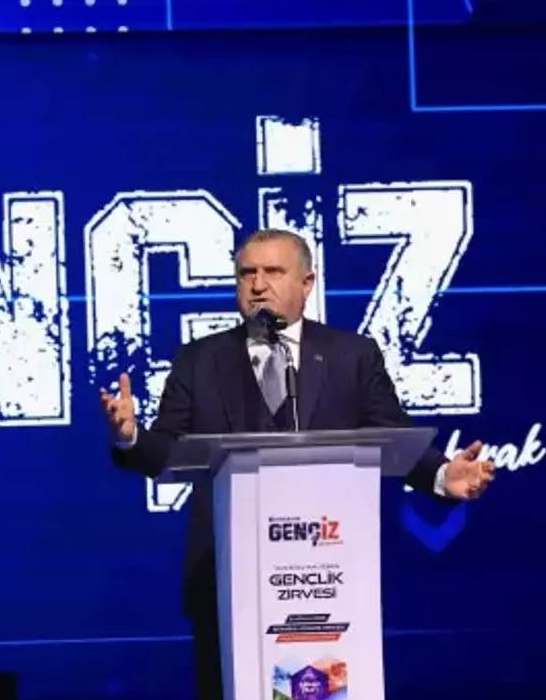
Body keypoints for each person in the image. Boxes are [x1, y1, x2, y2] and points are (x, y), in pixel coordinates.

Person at [98, 229, 496, 700]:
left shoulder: (352, 356)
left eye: (273, 271)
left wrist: (442, 475)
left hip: (328, 578)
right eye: (247, 273)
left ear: (307, 283)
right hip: (228, 579)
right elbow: (166, 451)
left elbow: (393, 436)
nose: (257, 285)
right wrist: (131, 437)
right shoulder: (200, 360)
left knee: (323, 690)